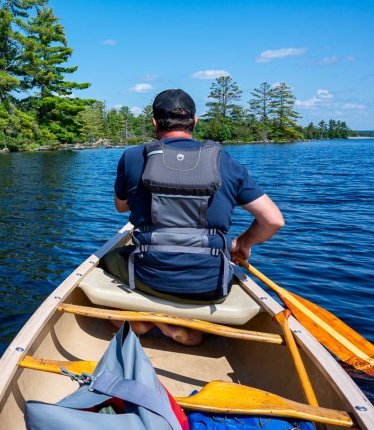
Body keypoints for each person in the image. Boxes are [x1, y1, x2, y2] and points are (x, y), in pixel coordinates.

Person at [105, 89, 284, 344]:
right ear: (195, 121)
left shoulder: (133, 157)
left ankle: (148, 319)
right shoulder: (224, 160)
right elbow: (273, 220)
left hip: (147, 275)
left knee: (108, 259)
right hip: (210, 287)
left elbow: (121, 207)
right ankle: (176, 324)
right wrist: (242, 244)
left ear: (155, 122)